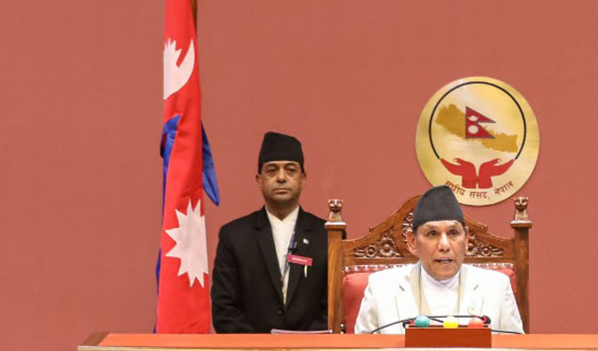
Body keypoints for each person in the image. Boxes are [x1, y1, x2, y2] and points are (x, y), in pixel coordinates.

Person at [353, 184, 524, 333]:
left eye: (453, 233)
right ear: (412, 242)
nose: (444, 245)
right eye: (432, 234)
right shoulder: (381, 288)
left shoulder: (496, 288)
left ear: (466, 240)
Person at [211, 131, 329, 333]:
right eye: (272, 171)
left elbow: (334, 309)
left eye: (290, 170)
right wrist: (264, 349)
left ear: (303, 178)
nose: (281, 178)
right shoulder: (235, 236)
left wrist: (302, 347)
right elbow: (224, 311)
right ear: (259, 180)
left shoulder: (326, 235)